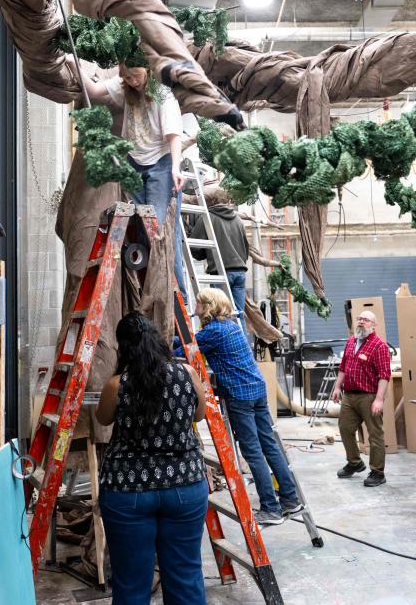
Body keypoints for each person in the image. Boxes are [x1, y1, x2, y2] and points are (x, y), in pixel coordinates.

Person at [96, 312, 208, 604]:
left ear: (124, 348)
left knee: (131, 583)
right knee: (185, 577)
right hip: (184, 485)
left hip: (128, 490)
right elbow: (200, 414)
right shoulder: (187, 374)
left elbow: (103, 418)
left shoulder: (117, 385)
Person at [193, 288, 303, 525]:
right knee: (269, 445)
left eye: (199, 304)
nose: (195, 308)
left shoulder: (211, 331)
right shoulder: (233, 326)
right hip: (257, 389)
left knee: (252, 451)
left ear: (208, 307)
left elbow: (183, 349)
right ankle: (290, 499)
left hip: (240, 395)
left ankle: (270, 508)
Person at [82, 62, 188, 300]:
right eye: (127, 77)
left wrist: (175, 167)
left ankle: (178, 299)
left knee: (161, 235)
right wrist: (72, 63)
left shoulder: (163, 95)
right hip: (134, 165)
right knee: (140, 233)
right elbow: (95, 91)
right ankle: (148, 299)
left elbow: (174, 136)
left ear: (147, 70)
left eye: (136, 75)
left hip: (161, 165)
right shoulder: (125, 88)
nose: (133, 81)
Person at [331, 310, 392, 487]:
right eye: (359, 319)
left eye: (365, 320)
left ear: (374, 325)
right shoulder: (351, 342)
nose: (361, 322)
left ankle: (378, 472)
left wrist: (379, 399)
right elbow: (343, 367)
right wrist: (337, 387)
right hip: (349, 396)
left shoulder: (379, 346)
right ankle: (355, 462)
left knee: (375, 435)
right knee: (344, 428)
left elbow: (384, 375)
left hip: (369, 397)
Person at [187, 188, 250, 327]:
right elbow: (246, 249)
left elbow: (195, 249)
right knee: (238, 316)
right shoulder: (238, 220)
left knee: (219, 315)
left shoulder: (208, 217)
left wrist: (205, 255)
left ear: (210, 201)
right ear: (227, 201)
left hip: (221, 274)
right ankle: (240, 347)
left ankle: (223, 348)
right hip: (240, 272)